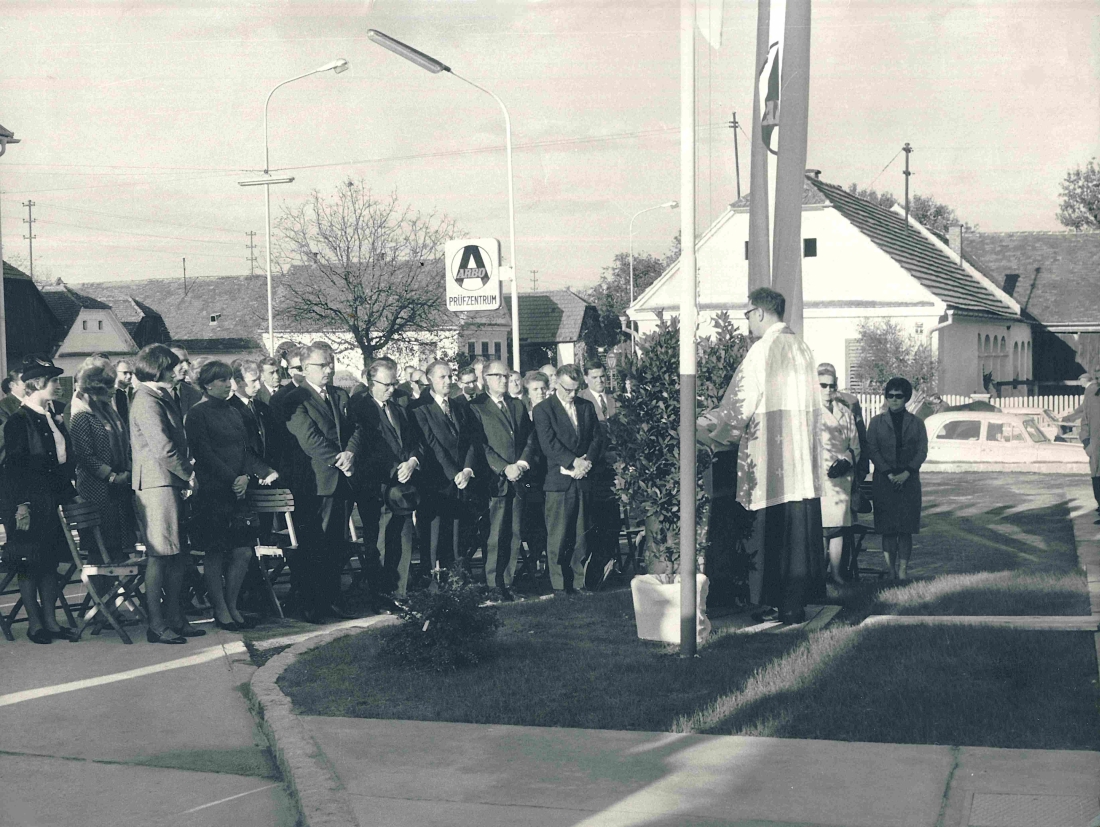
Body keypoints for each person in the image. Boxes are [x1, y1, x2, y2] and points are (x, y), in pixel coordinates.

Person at [697, 287, 825, 625]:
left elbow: (739, 405)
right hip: (800, 459)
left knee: (770, 533)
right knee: (795, 532)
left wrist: (718, 436)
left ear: (759, 313)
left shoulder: (762, 350)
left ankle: (771, 603)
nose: (747, 323)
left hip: (769, 458)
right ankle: (794, 605)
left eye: (747, 315)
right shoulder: (803, 349)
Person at [186, 360, 278, 630]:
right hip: (214, 493)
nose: (228, 384)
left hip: (239, 491)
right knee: (215, 552)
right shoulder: (197, 414)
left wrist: (245, 477)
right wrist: (231, 478)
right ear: (206, 384)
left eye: (229, 379)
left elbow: (245, 450)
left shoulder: (234, 412)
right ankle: (220, 609)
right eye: (222, 380)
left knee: (243, 552)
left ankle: (232, 604)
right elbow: (203, 454)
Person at [2, 358, 78, 643]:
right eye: (54, 381)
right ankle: (35, 624)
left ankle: (52, 622)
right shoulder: (18, 422)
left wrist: (71, 496)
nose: (59, 385)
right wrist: (22, 505)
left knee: (49, 563)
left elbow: (58, 466)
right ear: (36, 385)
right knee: (29, 563)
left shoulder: (50, 416)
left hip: (49, 502)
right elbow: (14, 468)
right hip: (26, 505)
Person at [129, 344, 202, 644]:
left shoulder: (160, 396)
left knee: (174, 555)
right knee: (160, 556)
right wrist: (190, 474)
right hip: (157, 486)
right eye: (172, 367)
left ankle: (174, 618)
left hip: (167, 484)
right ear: (159, 368)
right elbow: (163, 448)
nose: (178, 371)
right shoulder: (146, 399)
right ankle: (157, 625)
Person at [285, 342, 362, 623]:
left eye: (331, 363)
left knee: (336, 544)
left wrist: (351, 453)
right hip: (315, 483)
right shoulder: (295, 398)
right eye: (322, 365)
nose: (329, 369)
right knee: (314, 546)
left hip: (342, 481)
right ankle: (312, 604)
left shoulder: (340, 395)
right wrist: (339, 459)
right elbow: (309, 439)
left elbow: (355, 428)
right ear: (305, 369)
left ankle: (331, 599)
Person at [351, 359, 422, 599]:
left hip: (403, 486)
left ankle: (399, 593)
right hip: (376, 486)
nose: (392, 389)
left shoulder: (399, 408)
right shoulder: (361, 408)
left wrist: (412, 461)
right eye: (387, 384)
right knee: (379, 541)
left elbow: (414, 442)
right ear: (371, 383)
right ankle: (380, 595)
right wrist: (394, 469)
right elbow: (366, 448)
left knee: (403, 539)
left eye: (394, 383)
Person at [534, 363, 603, 593]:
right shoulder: (544, 409)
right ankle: (559, 585)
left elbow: (596, 438)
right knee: (559, 535)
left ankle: (579, 582)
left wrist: (587, 462)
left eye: (576, 390)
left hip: (583, 478)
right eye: (567, 390)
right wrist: (574, 462)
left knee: (581, 533)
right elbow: (548, 443)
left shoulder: (586, 406)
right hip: (559, 482)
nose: (572, 395)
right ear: (556, 384)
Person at [469, 360, 536, 599]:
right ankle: (493, 585)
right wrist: (503, 468)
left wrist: (521, 464)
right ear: (486, 378)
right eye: (498, 376)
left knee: (515, 532)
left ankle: (508, 582)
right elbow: (480, 445)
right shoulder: (476, 407)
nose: (504, 380)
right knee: (495, 534)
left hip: (517, 477)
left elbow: (530, 438)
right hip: (494, 481)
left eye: (506, 376)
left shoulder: (517, 405)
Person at [413, 360, 476, 580]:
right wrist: (453, 473)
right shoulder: (420, 408)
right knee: (434, 535)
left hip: (461, 481)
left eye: (450, 376)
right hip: (436, 482)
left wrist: (467, 469)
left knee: (458, 535)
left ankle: (457, 580)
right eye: (442, 377)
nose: (448, 381)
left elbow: (469, 441)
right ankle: (431, 583)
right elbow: (431, 443)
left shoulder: (459, 406)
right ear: (429, 379)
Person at [69, 357, 135, 553]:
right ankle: (100, 584)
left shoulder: (109, 412)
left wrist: (128, 470)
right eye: (108, 385)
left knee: (122, 548)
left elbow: (126, 444)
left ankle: (119, 584)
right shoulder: (82, 416)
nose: (114, 389)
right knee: (103, 550)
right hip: (97, 490)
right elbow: (85, 456)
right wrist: (112, 476)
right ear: (95, 387)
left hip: (119, 488)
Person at [865, 376, 928, 580]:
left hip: (909, 481)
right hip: (885, 481)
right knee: (888, 529)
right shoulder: (876, 423)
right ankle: (890, 570)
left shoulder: (917, 424)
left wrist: (907, 472)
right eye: (890, 396)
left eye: (898, 396)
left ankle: (902, 570)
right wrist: (890, 474)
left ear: (906, 398)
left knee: (906, 528)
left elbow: (922, 451)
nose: (894, 400)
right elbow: (872, 450)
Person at [816, 364, 860, 584]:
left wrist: (847, 459)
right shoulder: (810, 413)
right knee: (823, 529)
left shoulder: (845, 413)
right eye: (822, 385)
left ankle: (837, 575)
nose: (827, 390)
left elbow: (855, 444)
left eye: (831, 386)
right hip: (821, 478)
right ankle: (819, 576)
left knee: (839, 527)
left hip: (842, 477)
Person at [519, 371, 550, 583]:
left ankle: (544, 567)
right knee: (531, 525)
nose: (540, 392)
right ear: (527, 392)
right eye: (535, 389)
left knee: (546, 525)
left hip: (546, 473)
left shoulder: (550, 410)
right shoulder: (523, 411)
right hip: (528, 475)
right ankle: (532, 565)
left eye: (542, 388)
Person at [229, 359, 277, 470]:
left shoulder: (263, 407)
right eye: (253, 381)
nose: (258, 386)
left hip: (270, 472)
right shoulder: (229, 409)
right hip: (245, 475)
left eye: (259, 380)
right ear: (238, 382)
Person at [1077, 376, 1100, 521]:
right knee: (1097, 477)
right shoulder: (1092, 394)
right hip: (1096, 448)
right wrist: (1086, 443)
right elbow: (1084, 420)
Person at [169, 346, 202, 417]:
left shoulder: (195, 393)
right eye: (180, 362)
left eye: (187, 362)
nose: (186, 367)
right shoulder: (153, 392)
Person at [113, 358, 134, 426]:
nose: (129, 376)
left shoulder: (133, 392)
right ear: (115, 372)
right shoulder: (110, 394)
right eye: (125, 373)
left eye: (131, 373)